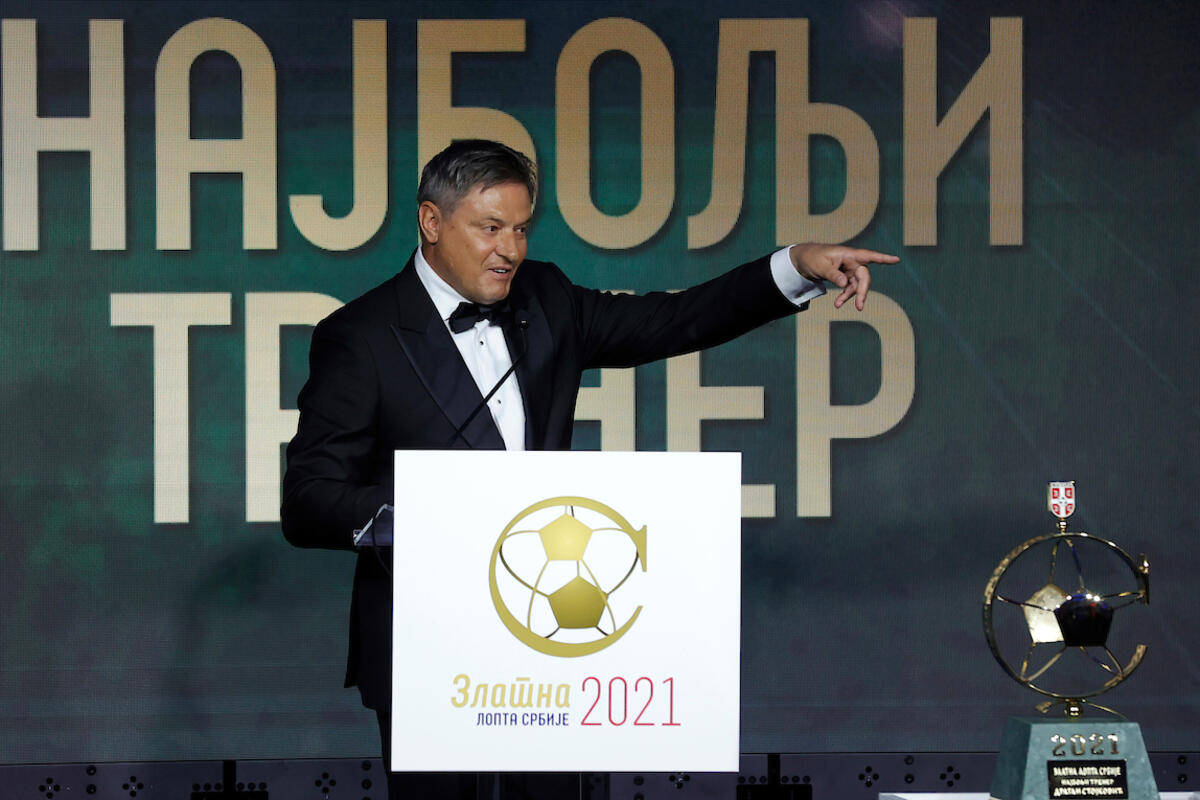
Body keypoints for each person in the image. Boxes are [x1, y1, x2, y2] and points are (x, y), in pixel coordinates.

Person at [281, 139, 898, 799]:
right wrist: (428, 516)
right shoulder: (361, 335)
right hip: (427, 644)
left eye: (521, 229)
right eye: (490, 228)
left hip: (556, 637)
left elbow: (676, 320)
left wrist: (794, 267)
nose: (510, 250)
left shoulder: (545, 297)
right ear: (432, 222)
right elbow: (309, 500)